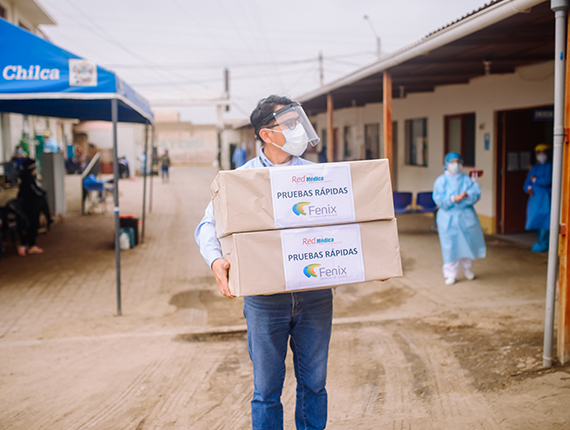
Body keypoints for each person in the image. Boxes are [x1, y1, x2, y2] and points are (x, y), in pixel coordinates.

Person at [195, 95, 330, 430]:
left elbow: (349, 224)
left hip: (314, 294)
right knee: (267, 389)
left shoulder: (321, 176)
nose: (298, 128)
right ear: (267, 135)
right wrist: (215, 261)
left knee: (314, 383)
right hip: (265, 300)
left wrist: (369, 260)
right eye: (289, 123)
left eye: (298, 120)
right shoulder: (238, 180)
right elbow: (207, 225)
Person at [433, 152, 487, 285]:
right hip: (447, 219)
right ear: (446, 163)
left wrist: (466, 195)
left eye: (458, 161)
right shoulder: (441, 181)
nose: (455, 164)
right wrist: (452, 199)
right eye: (452, 162)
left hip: (465, 217)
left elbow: (476, 194)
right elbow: (438, 198)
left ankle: (467, 269)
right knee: (450, 246)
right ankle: (450, 274)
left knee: (466, 244)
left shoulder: (467, 180)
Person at [17, 158, 52, 255]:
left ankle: (31, 245)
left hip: (31, 206)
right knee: (32, 225)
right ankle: (23, 244)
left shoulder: (27, 179)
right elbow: (36, 192)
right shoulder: (28, 180)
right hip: (30, 207)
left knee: (34, 225)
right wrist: (43, 194)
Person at [524, 143, 553, 252]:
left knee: (546, 221)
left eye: (543, 153)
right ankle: (541, 242)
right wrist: (529, 188)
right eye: (539, 153)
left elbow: (547, 181)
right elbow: (527, 182)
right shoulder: (535, 167)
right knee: (535, 220)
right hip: (534, 199)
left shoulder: (550, 166)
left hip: (545, 198)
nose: (541, 155)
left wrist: (535, 180)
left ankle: (546, 243)